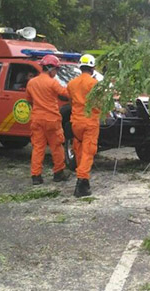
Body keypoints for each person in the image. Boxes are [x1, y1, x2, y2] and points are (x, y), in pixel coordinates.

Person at [26, 54, 71, 185]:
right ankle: (58, 173)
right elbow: (65, 94)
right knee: (56, 147)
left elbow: (29, 100)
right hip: (51, 120)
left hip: (37, 119)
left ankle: (36, 176)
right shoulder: (52, 83)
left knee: (38, 148)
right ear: (51, 68)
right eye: (56, 70)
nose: (56, 72)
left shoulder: (32, 82)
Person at [67, 54, 100, 197]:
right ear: (92, 68)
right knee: (88, 152)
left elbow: (70, 100)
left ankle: (83, 179)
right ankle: (81, 183)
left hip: (76, 122)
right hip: (90, 122)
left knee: (79, 150)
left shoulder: (71, 83)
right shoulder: (94, 84)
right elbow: (100, 103)